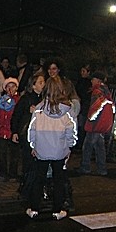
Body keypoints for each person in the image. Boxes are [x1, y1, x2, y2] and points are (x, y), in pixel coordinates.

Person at [27, 76, 78, 220]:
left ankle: (34, 208)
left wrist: (33, 145)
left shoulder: (39, 109)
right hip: (60, 151)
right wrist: (69, 146)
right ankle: (57, 210)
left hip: (42, 150)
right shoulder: (68, 111)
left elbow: (32, 130)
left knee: (39, 179)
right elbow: (72, 131)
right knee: (59, 180)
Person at [11, 70, 46, 205]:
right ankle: (26, 188)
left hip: (41, 135)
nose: (43, 85)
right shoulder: (26, 99)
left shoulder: (44, 99)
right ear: (33, 85)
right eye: (40, 82)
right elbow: (17, 116)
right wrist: (14, 131)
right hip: (27, 135)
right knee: (28, 162)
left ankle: (36, 188)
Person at [78, 71, 113, 176]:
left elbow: (95, 107)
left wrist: (90, 119)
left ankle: (85, 167)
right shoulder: (106, 91)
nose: (91, 81)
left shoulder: (97, 92)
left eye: (93, 79)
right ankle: (102, 169)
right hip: (102, 123)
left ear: (98, 80)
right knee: (99, 146)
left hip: (95, 124)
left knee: (88, 146)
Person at [0, 78, 21, 181]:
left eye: (13, 86)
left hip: (13, 130)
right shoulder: (2, 100)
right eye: (8, 87)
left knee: (14, 153)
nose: (11, 89)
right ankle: (3, 172)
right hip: (2, 130)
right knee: (2, 153)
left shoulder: (18, 100)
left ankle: (13, 173)